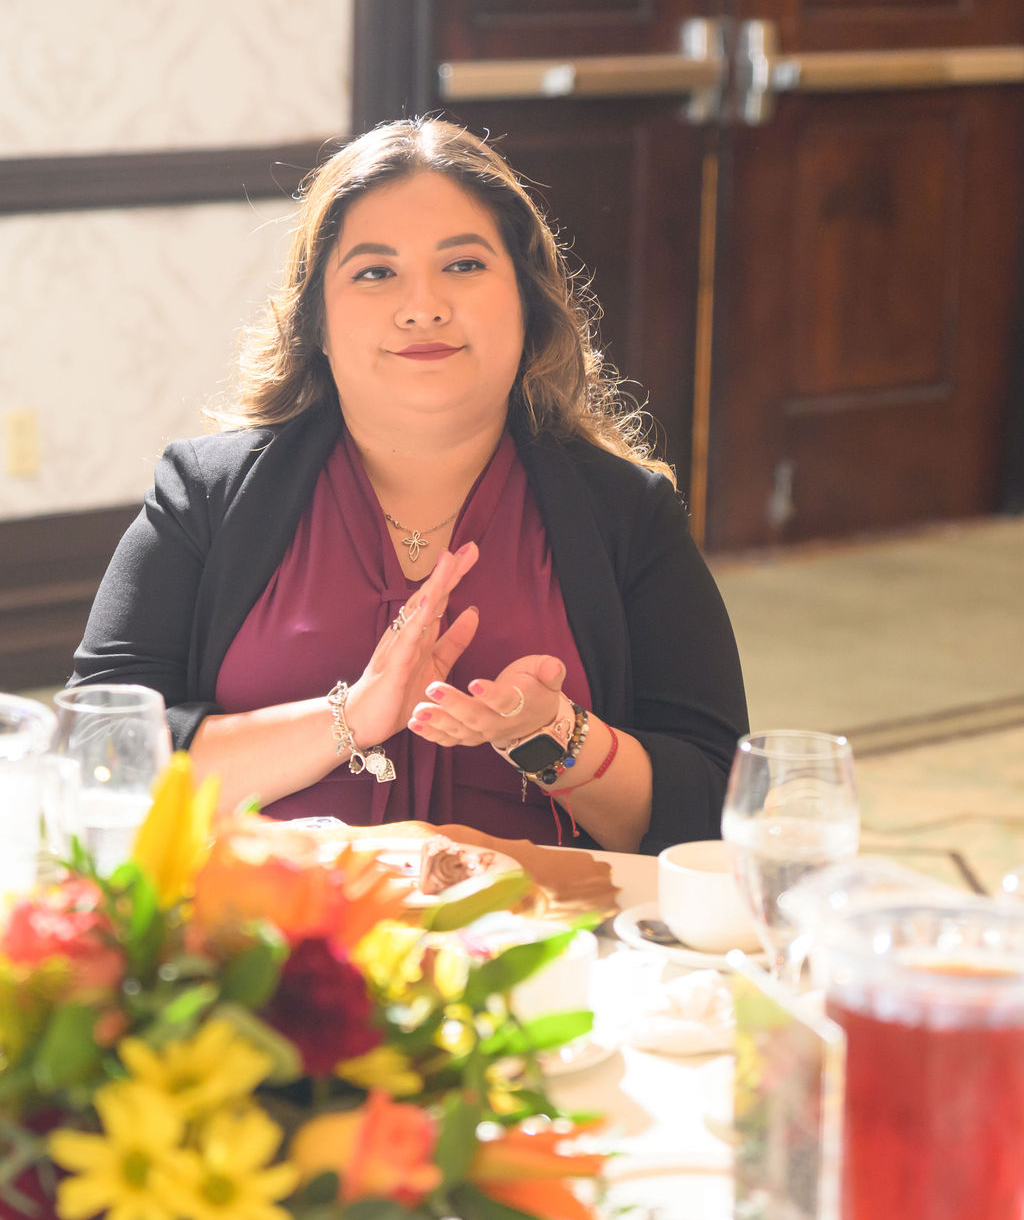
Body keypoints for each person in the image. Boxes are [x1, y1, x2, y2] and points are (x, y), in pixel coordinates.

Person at [71, 118, 747, 856]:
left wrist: (553, 735)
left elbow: (718, 809)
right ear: (316, 321)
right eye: (375, 272)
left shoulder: (628, 515)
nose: (423, 306)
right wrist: (349, 719)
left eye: (464, 265)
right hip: (264, 922)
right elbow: (96, 756)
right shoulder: (204, 496)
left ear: (528, 301)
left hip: (545, 922)